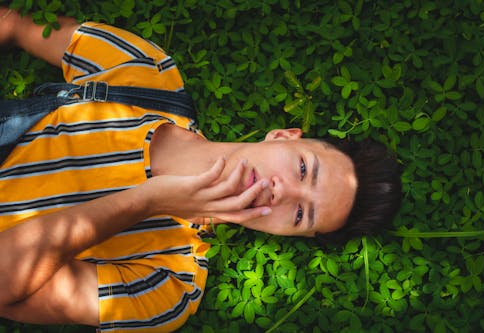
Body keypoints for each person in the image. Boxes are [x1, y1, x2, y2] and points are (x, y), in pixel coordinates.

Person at [0, 8, 402, 333]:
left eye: (300, 215)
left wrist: (147, 200)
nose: (283, 192)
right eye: (302, 169)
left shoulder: (170, 285)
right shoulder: (146, 73)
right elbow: (14, 25)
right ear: (283, 136)